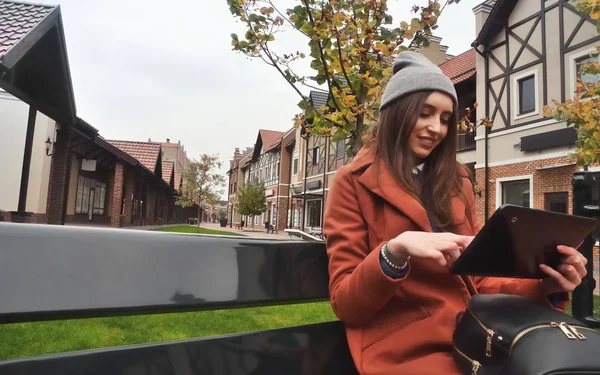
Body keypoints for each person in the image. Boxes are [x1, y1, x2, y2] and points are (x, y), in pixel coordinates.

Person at [322, 51, 587, 375]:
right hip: (407, 346)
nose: (436, 128)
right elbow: (346, 304)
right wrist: (396, 249)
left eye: (445, 119)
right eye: (424, 113)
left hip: (477, 333)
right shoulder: (352, 182)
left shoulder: (455, 180)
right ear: (396, 113)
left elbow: (478, 279)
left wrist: (545, 284)